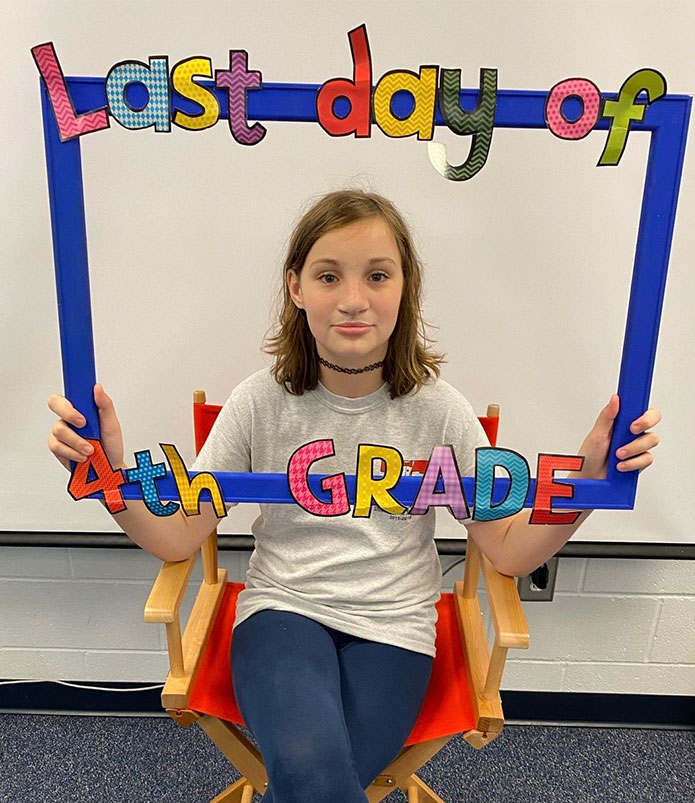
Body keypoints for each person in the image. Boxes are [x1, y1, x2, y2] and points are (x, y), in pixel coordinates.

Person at [48, 189, 661, 802]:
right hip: (282, 611)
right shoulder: (259, 401)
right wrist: (112, 474)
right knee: (314, 769)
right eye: (328, 275)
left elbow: (508, 552)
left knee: (313, 781)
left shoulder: (439, 410)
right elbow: (177, 534)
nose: (352, 300)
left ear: (405, 287)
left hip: (395, 626)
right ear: (295, 287)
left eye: (376, 275)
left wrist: (585, 480)